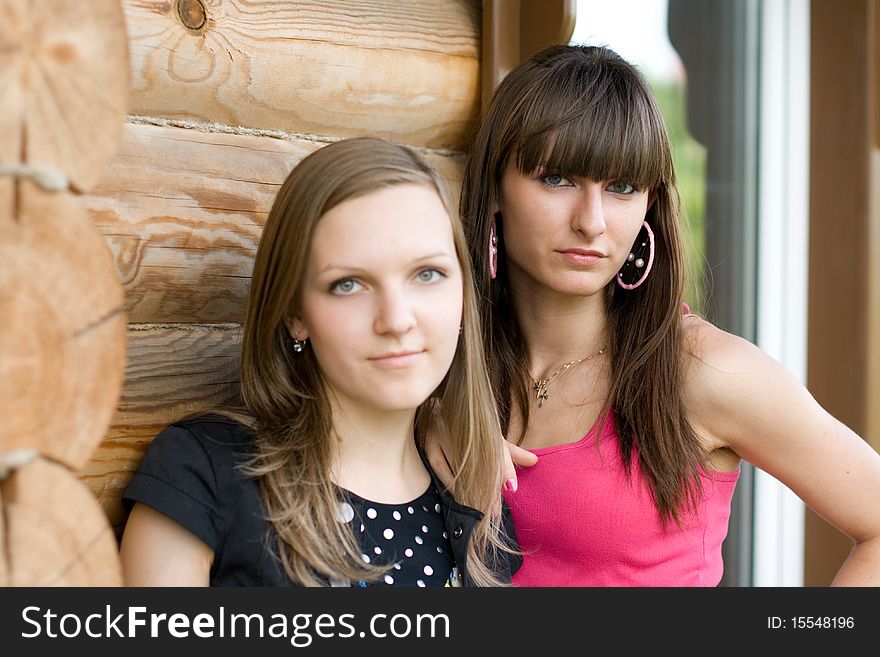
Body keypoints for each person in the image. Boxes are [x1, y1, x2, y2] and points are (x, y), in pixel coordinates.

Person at [430, 44, 880, 586]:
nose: (592, 221)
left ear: (649, 205)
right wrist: (435, 418)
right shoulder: (440, 362)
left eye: (622, 187)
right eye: (557, 179)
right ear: (496, 187)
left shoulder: (702, 369)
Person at [119, 137, 517, 587]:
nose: (397, 320)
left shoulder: (471, 497)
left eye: (428, 274)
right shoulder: (206, 473)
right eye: (348, 284)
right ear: (294, 314)